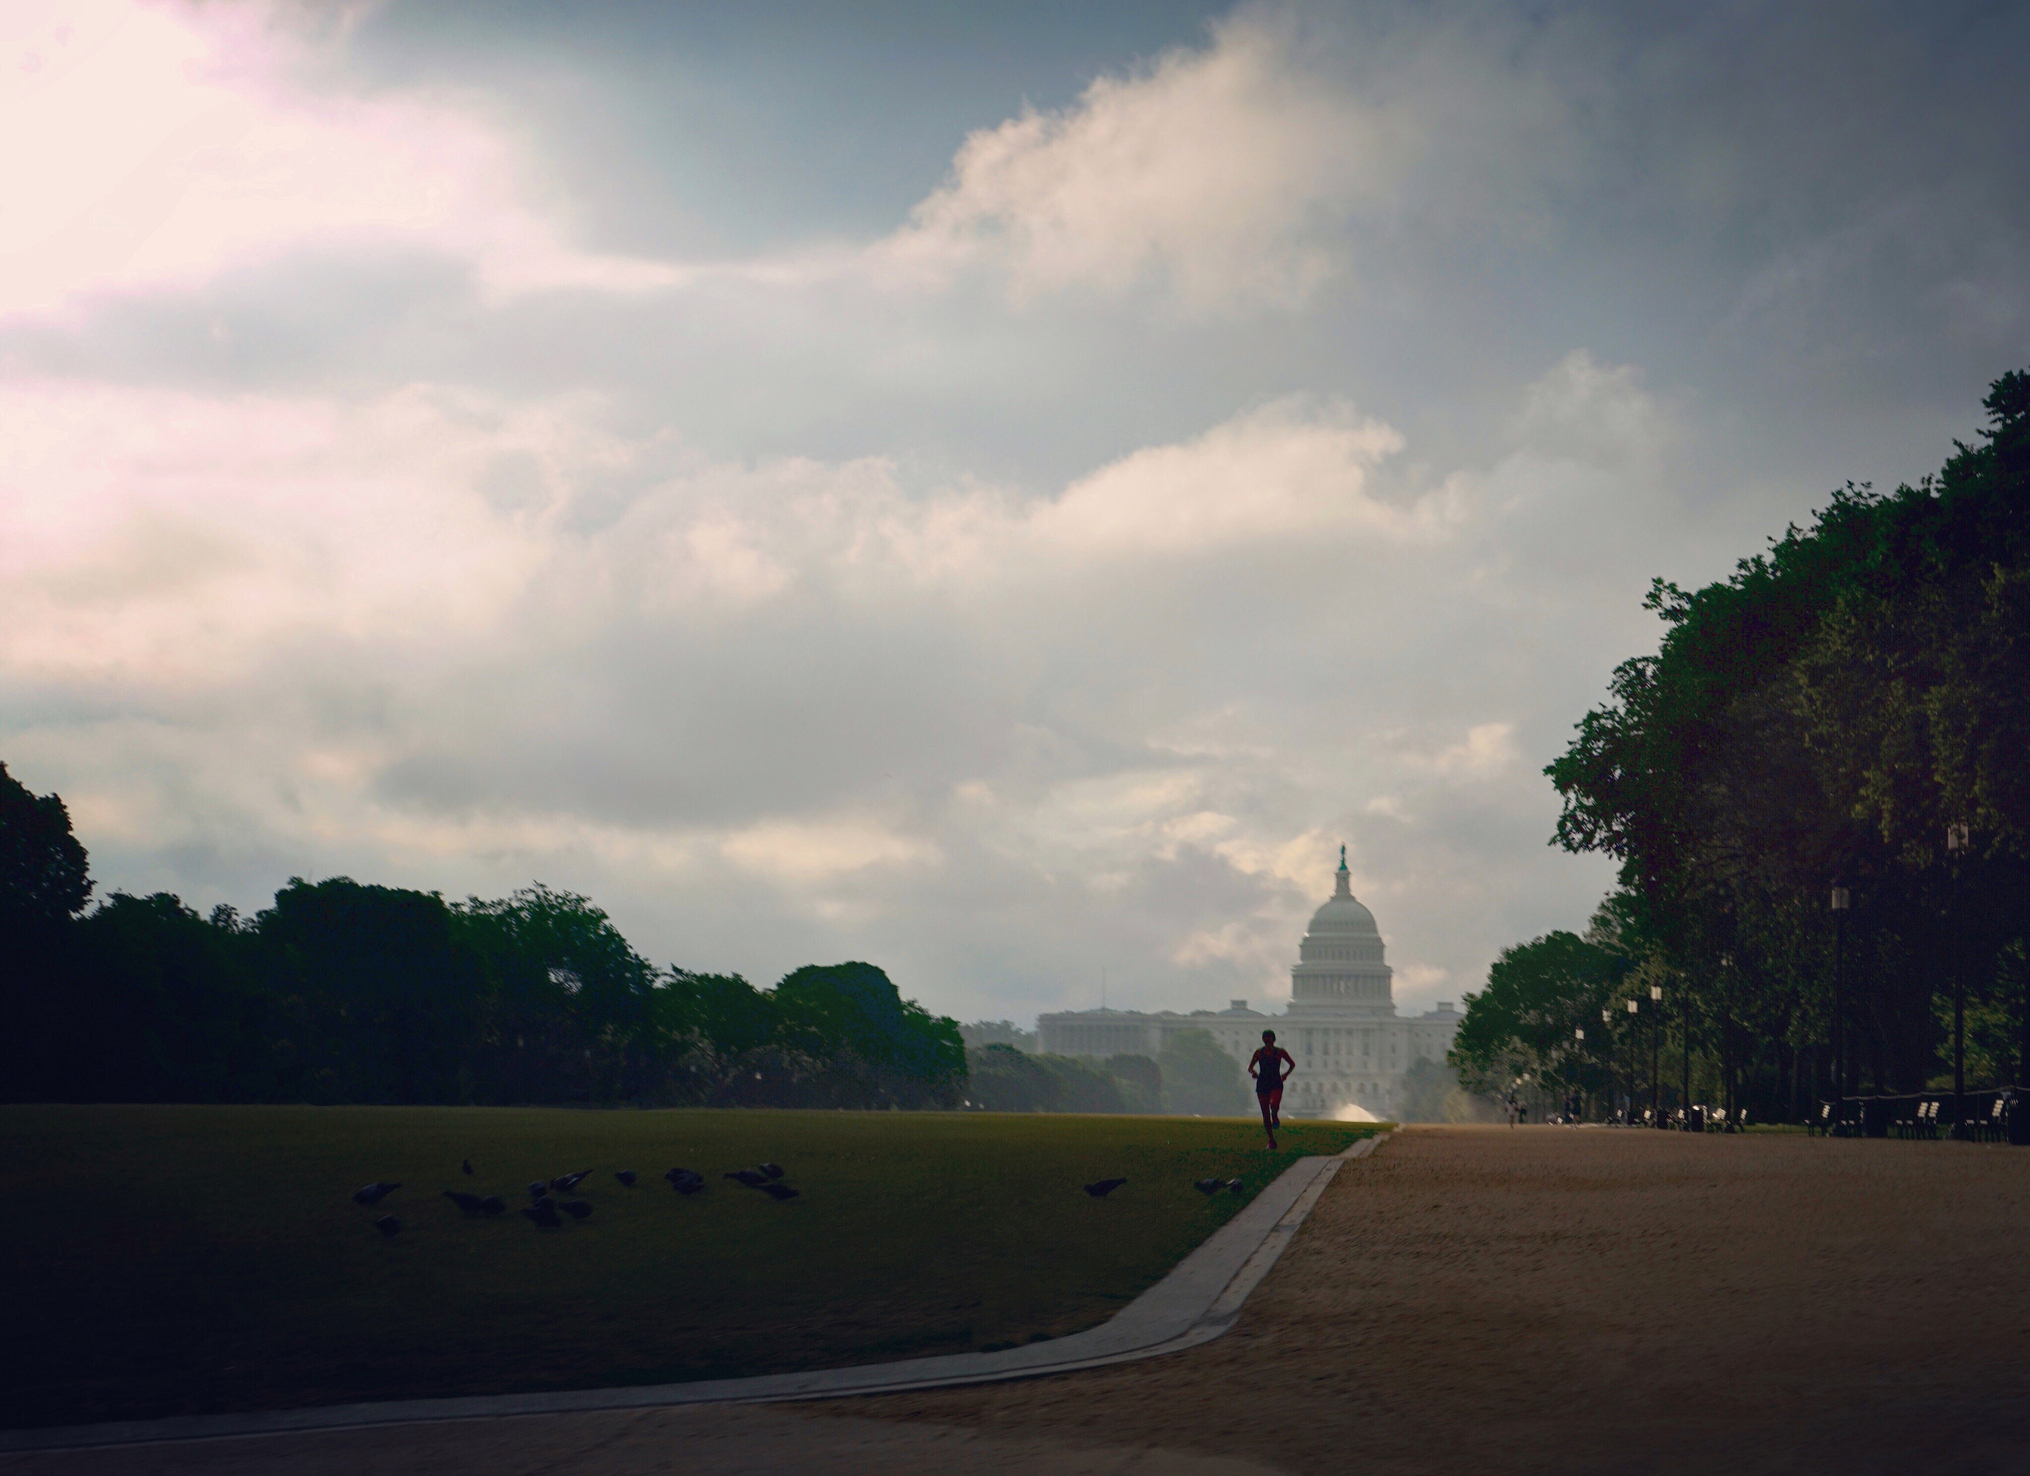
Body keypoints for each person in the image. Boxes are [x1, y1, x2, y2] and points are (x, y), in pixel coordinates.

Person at [1247, 1030, 1295, 1149]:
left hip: (1275, 1082)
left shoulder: (1280, 1052)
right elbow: (1250, 1067)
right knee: (1265, 1114)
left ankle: (1275, 1115)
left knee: (1274, 1104)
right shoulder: (1259, 1052)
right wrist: (1253, 1072)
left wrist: (1285, 1075)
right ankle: (1271, 1139)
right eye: (1266, 1039)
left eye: (1269, 1039)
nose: (1268, 1041)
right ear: (1263, 1040)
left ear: (1274, 1040)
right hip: (1263, 1083)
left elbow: (1292, 1064)